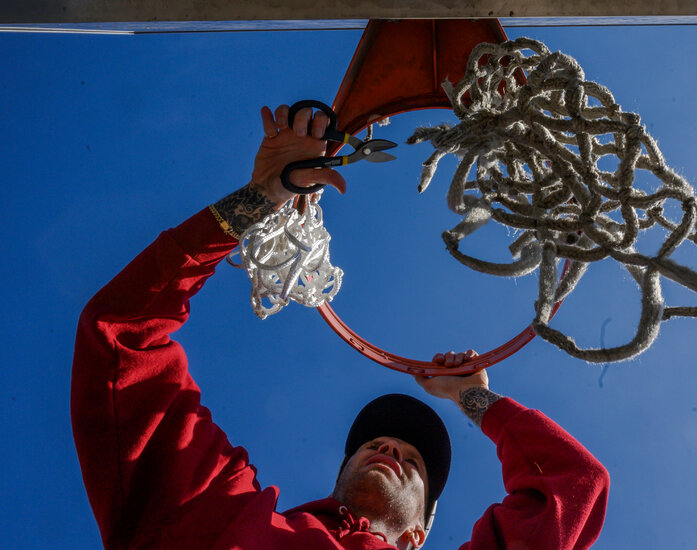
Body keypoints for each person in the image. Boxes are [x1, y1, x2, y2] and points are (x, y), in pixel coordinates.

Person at [71, 104, 610, 550]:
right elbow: (121, 335)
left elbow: (572, 485)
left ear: (417, 536)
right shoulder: (217, 510)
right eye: (379, 443)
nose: (392, 450)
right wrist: (261, 197)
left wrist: (476, 401)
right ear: (339, 474)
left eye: (414, 461)